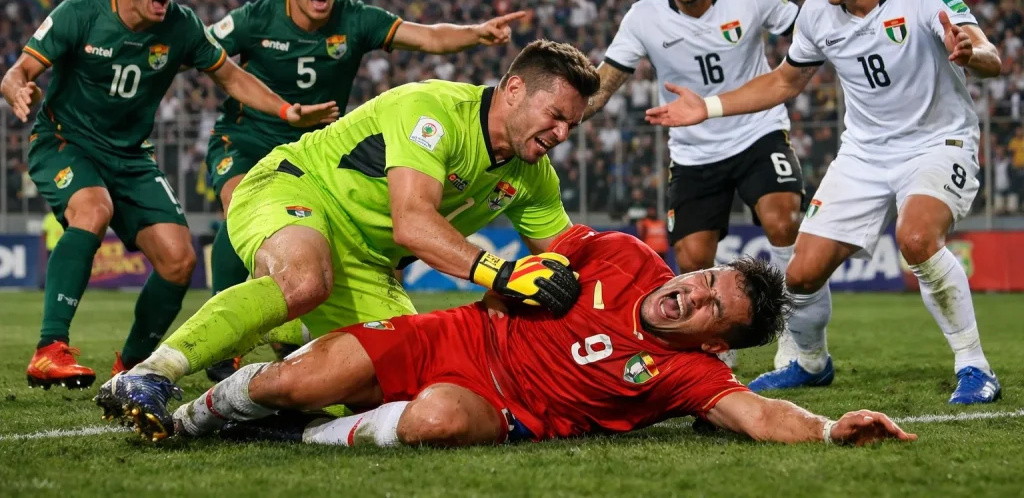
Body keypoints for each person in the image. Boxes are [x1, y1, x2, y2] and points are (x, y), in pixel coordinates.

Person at [97, 40, 600, 440]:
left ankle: (270, 372)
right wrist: (501, 273)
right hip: (296, 187)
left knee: (398, 387)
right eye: (555, 116)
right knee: (304, 280)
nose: (561, 134)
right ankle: (149, 374)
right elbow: (413, 222)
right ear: (514, 89)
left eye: (572, 125)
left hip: (369, 263)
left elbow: (577, 255)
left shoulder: (534, 177)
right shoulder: (434, 110)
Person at [646, 0, 1003, 404]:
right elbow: (784, 81)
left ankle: (974, 366)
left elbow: (990, 55)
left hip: (937, 143)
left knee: (917, 238)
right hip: (863, 154)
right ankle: (811, 363)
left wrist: (970, 53)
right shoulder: (817, 12)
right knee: (800, 275)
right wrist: (707, 107)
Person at [169, 226, 915, 449]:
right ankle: (180, 419)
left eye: (711, 307)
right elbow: (516, 271)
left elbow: (758, 414)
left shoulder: (686, 375)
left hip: (500, 406)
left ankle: (301, 435)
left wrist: (828, 429)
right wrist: (510, 283)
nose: (691, 292)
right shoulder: (621, 253)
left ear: (716, 343)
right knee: (288, 380)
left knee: (434, 421)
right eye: (704, 278)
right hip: (453, 335)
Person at [1, 0, 337, 390]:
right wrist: (17, 88)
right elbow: (18, 70)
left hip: (130, 155)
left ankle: (132, 368)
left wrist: (286, 111)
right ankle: (49, 349)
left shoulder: (181, 26)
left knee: (179, 261)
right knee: (94, 210)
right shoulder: (79, 13)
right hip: (65, 141)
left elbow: (231, 76)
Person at [202, 0, 524, 381]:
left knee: (300, 255)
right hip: (246, 137)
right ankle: (223, 347)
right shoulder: (256, 17)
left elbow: (427, 37)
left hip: (309, 151)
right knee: (240, 208)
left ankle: (287, 327)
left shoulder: (355, 19)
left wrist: (476, 33)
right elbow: (205, 49)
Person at [586, 0, 804, 369]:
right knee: (691, 258)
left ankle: (797, 341)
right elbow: (605, 82)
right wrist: (565, 115)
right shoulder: (644, 17)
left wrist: (789, 75)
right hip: (693, 151)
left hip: (757, 130)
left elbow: (810, 33)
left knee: (783, 222)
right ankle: (720, 345)